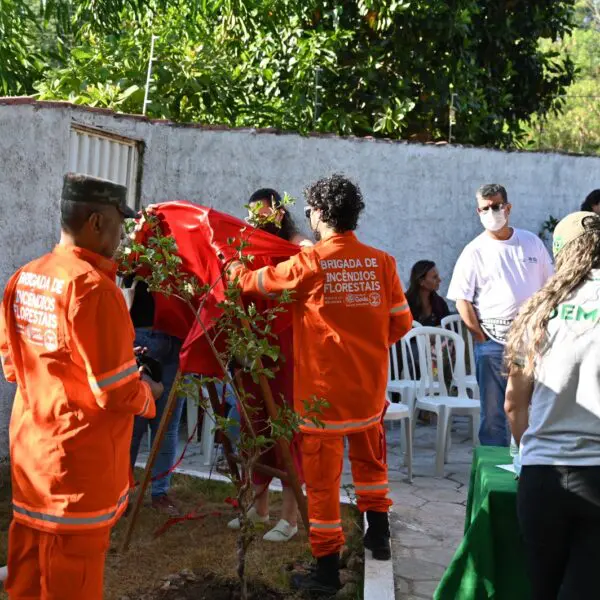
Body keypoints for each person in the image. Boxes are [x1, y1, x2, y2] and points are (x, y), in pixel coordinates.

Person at [228, 174, 413, 595]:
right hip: (367, 392)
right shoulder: (382, 262)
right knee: (371, 467)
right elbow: (401, 322)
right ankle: (378, 537)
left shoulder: (309, 263)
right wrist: (365, 346)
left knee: (325, 484)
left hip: (322, 398)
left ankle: (326, 571)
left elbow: (255, 284)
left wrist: (236, 267)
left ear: (319, 214)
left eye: (310, 210)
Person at [0, 173, 163, 600]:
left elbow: (14, 369)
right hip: (78, 474)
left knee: (25, 587)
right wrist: (149, 395)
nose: (122, 234)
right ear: (95, 222)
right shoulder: (94, 289)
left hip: (32, 464)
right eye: (118, 222)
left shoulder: (24, 277)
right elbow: (115, 392)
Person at [504, 211, 600, 600]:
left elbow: (514, 405)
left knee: (541, 589)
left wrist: (530, 448)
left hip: (542, 475)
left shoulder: (539, 311)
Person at [227, 188, 312, 542]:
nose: (256, 220)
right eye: (252, 214)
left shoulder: (295, 247)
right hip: (251, 350)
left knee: (285, 431)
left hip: (286, 352)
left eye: (263, 214)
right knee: (253, 428)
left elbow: (308, 256)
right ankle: (259, 508)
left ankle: (289, 518)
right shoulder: (245, 248)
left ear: (279, 214)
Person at [447, 183, 553, 447]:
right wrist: (481, 338)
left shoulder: (531, 242)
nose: (492, 212)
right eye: (485, 208)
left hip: (528, 341)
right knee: (494, 411)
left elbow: (550, 288)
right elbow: (462, 300)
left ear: (508, 207)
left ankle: (529, 460)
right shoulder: (474, 250)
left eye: (496, 206)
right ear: (478, 212)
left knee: (530, 405)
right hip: (493, 342)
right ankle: (493, 469)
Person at [124, 266, 185, 515]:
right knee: (135, 426)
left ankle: (159, 492)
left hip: (173, 338)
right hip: (142, 335)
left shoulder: (178, 241)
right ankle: (123, 495)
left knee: (165, 426)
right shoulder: (134, 243)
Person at [405, 260, 450, 326]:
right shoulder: (405, 303)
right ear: (421, 281)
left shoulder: (439, 303)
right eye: (435, 277)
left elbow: (450, 328)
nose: (439, 280)